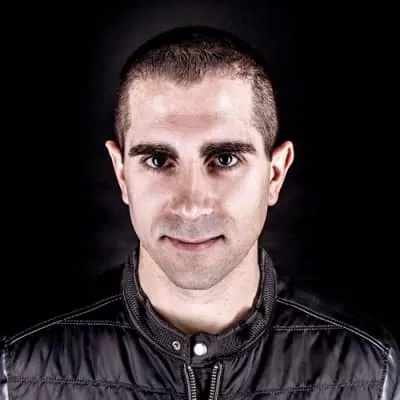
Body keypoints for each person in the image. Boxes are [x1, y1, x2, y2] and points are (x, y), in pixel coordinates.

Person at [1, 26, 399, 400]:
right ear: (122, 175)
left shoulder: (368, 370)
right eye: (158, 160)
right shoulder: (19, 371)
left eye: (225, 159)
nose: (191, 205)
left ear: (275, 174)